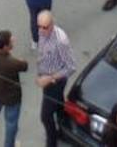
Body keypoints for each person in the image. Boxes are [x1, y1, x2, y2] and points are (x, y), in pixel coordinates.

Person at [35, 11, 76, 147]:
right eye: (38, 26)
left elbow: (71, 67)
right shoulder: (43, 33)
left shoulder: (60, 41)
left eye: (44, 27)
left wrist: (49, 78)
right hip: (46, 78)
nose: (41, 31)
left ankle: (51, 142)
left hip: (56, 82)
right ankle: (65, 130)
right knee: (58, 105)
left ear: (52, 24)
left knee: (45, 116)